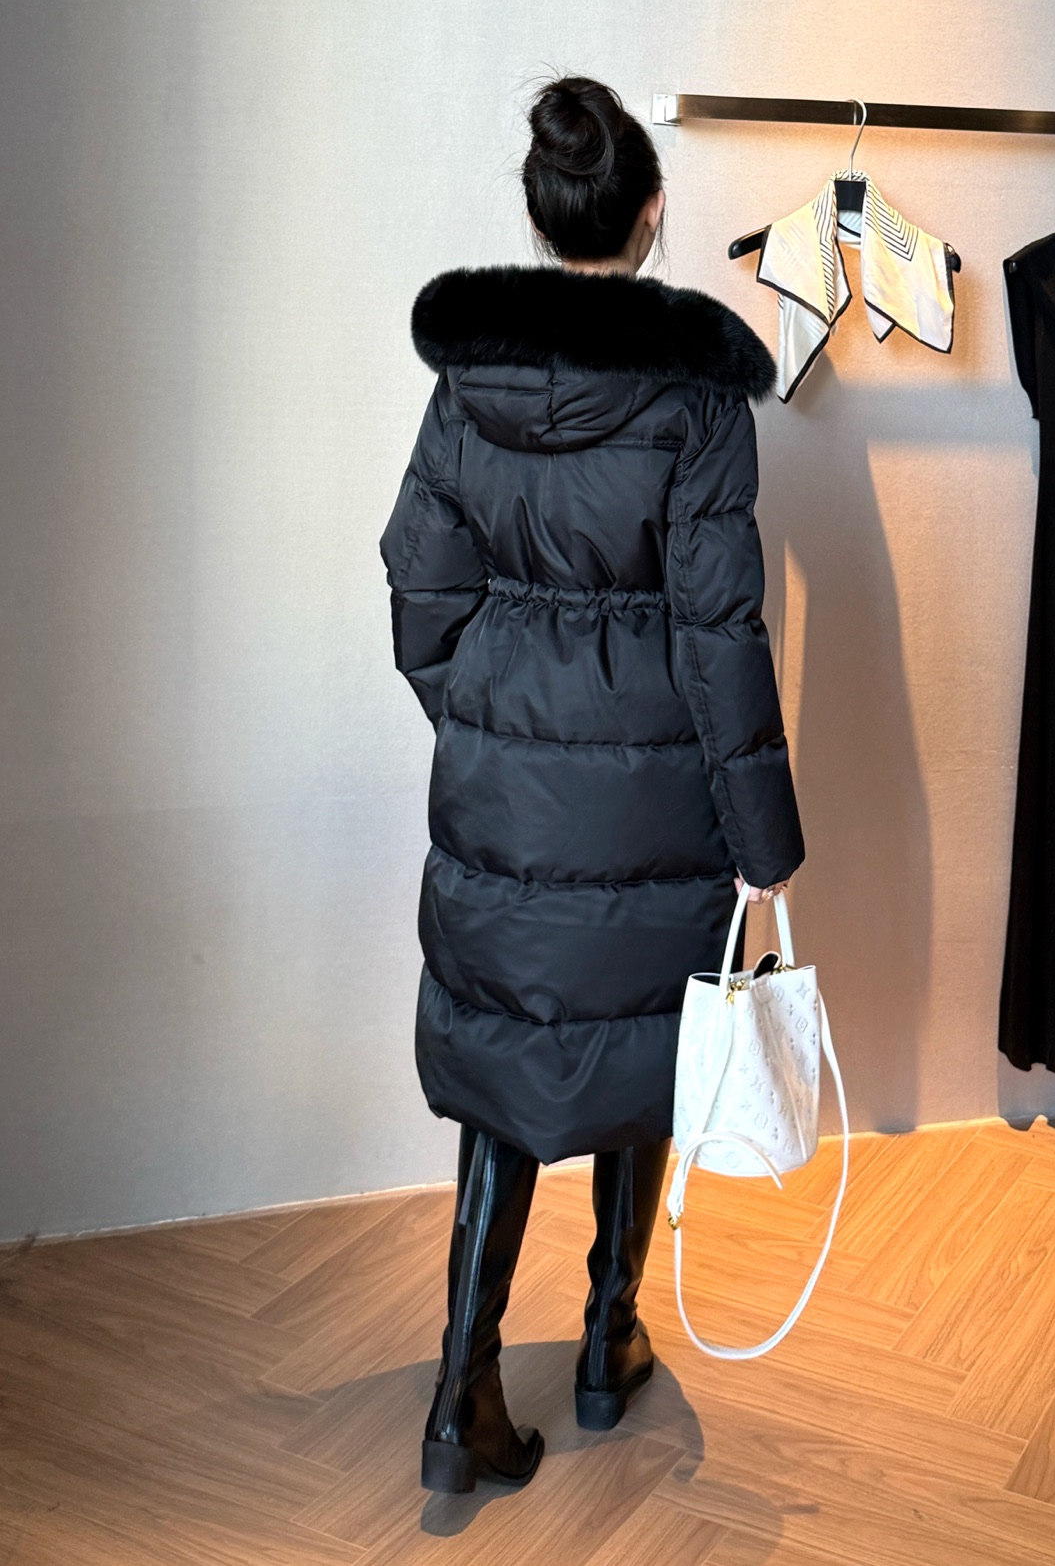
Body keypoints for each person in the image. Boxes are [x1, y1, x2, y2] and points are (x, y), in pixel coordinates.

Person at [380, 76, 804, 1494]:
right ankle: (608, 1344)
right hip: (658, 794)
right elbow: (719, 629)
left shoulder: (468, 385)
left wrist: (485, 713)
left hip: (501, 791)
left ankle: (462, 1396)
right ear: (651, 214)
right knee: (647, 1059)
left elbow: (417, 581)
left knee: (505, 1073)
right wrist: (764, 842)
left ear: (543, 215)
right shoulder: (698, 398)